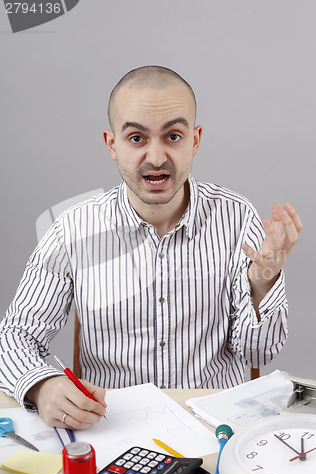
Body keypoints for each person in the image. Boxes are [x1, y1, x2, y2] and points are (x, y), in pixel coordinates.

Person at [0, 66, 302, 430]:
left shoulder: (238, 218)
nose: (156, 157)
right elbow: (15, 335)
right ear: (112, 144)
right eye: (137, 138)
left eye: (173, 136)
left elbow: (258, 352)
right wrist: (42, 385)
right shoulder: (73, 229)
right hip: (113, 429)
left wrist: (262, 281)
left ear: (195, 139)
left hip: (214, 426)